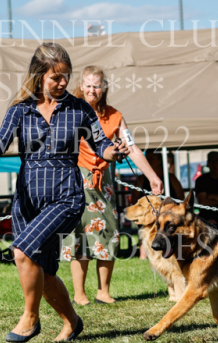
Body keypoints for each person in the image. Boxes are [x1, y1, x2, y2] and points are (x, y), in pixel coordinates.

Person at [0, 43, 127, 342]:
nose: (63, 82)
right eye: (56, 77)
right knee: (42, 270)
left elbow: (101, 143)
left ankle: (30, 319)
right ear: (39, 75)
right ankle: (72, 322)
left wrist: (113, 152)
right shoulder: (20, 110)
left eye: (66, 76)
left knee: (22, 252)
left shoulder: (79, 108)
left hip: (66, 196)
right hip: (27, 200)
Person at [61, 65, 164, 305]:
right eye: (88, 85)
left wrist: (152, 176)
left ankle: (103, 292)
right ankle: (79, 294)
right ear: (81, 86)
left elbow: (132, 147)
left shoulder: (115, 116)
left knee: (108, 231)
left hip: (103, 181)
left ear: (104, 87)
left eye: (97, 86)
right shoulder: (70, 109)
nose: (92, 90)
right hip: (76, 178)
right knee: (80, 234)